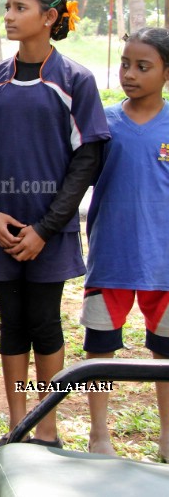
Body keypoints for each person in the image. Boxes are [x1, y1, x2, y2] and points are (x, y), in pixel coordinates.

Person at [0, 0, 109, 451]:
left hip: (51, 232)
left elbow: (87, 159)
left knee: (45, 323)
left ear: (49, 18)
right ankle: (18, 427)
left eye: (19, 7)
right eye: (6, 6)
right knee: (11, 322)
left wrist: (46, 229)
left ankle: (47, 429)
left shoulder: (76, 81)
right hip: (0, 229)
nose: (8, 15)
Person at [82, 27, 169, 459]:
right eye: (125, 64)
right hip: (111, 258)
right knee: (101, 347)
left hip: (164, 264)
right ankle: (100, 436)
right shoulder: (104, 123)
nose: (130, 74)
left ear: (166, 72)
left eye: (143, 66)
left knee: (165, 354)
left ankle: (167, 438)